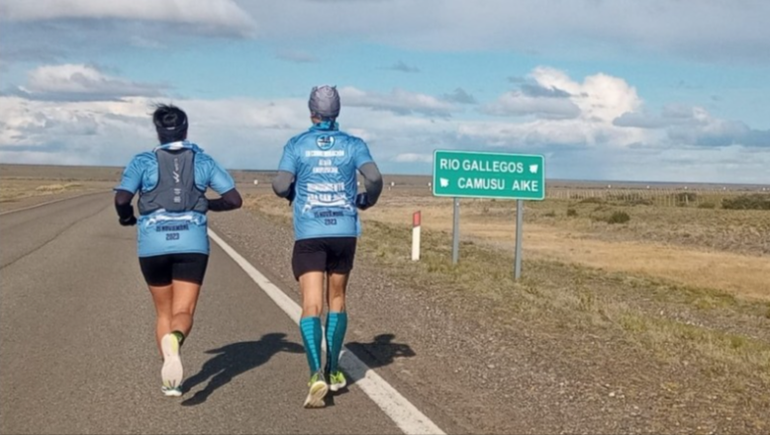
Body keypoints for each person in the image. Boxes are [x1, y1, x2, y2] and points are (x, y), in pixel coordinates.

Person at [114, 104, 243, 397]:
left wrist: (126, 217)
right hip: (192, 244)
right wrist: (207, 204)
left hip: (153, 244)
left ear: (158, 131)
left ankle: (170, 377)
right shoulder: (203, 160)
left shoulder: (142, 161)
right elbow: (234, 199)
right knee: (183, 310)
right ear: (185, 129)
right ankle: (176, 338)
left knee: (162, 311)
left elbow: (122, 198)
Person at [272, 85, 383, 408]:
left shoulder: (296, 144)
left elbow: (280, 184)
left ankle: (315, 373)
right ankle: (335, 370)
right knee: (337, 298)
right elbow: (374, 178)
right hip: (344, 231)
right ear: (338, 112)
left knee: (311, 305)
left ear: (311, 112)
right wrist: (366, 200)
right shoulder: (353, 144)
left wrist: (291, 193)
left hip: (310, 232)